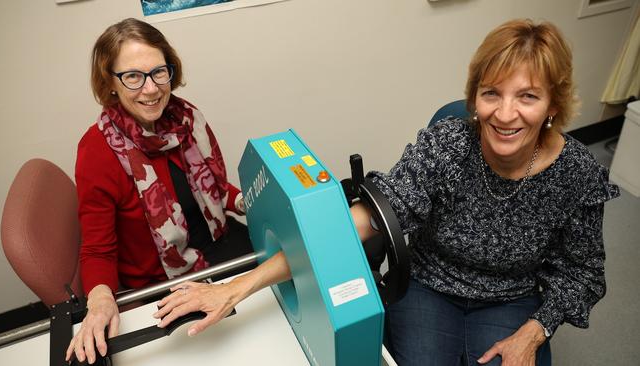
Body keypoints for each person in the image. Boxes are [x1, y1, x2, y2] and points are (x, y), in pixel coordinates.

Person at [155, 18, 619, 366]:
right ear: (474, 96)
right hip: (429, 287)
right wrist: (235, 288)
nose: (505, 114)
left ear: (554, 106)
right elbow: (352, 226)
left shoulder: (576, 175)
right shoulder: (446, 146)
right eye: (491, 93)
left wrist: (535, 332)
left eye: (528, 97)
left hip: (511, 299)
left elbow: (583, 275)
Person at [66, 18, 254, 364]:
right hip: (165, 280)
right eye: (133, 76)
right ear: (110, 83)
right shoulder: (97, 152)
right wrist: (101, 299)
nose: (151, 89)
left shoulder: (186, 120)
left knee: (292, 276)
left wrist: (248, 200)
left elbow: (210, 190)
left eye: (159, 72)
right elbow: (96, 249)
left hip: (219, 244)